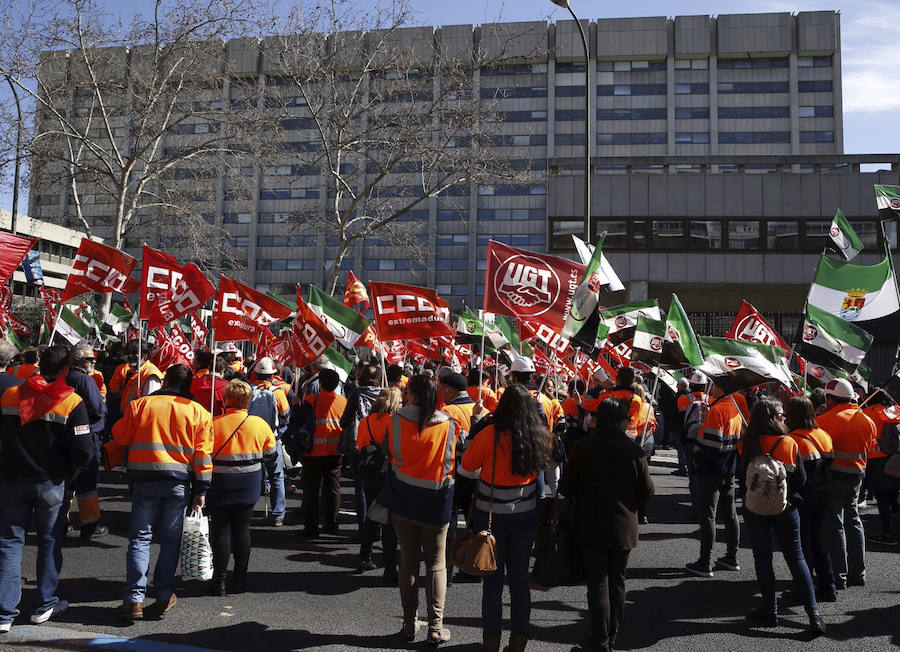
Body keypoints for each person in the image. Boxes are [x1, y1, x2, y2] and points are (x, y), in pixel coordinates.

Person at [108, 364, 213, 621]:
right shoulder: (199, 412)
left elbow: (120, 436)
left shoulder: (140, 405)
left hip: (143, 481)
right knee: (170, 541)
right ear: (189, 385)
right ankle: (164, 595)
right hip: (178, 484)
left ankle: (134, 600)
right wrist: (202, 489)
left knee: (140, 539)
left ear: (165, 380)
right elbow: (202, 456)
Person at [0, 345, 93, 632]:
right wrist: (72, 476)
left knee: (9, 545)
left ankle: (3, 614)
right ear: (66, 370)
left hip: (12, 479)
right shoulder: (72, 401)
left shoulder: (10, 395)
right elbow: (84, 452)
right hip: (51, 482)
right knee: (49, 543)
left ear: (39, 364)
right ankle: (43, 605)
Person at [461, 384, 552, 652]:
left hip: (490, 517)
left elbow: (466, 468)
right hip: (525, 517)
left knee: (491, 582)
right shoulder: (540, 435)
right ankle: (518, 643)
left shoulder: (490, 434)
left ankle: (490, 643)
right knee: (520, 581)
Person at [559, 398, 654, 652]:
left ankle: (599, 638)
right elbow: (647, 491)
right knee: (618, 581)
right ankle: (612, 634)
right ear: (622, 422)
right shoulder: (634, 451)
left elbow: (565, 487)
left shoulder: (582, 447)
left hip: (589, 524)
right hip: (623, 527)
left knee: (597, 583)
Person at [378, 375, 461, 646]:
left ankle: (409, 624)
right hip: (437, 501)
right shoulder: (450, 425)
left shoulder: (396, 421)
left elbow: (386, 450)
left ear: (411, 394)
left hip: (403, 497)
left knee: (408, 562)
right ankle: (435, 627)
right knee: (437, 563)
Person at [738, 397, 825, 635]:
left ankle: (770, 609)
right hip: (786, 508)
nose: (784, 417)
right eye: (780, 414)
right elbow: (801, 480)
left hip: (755, 508)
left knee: (763, 558)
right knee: (796, 558)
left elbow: (741, 474)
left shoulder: (747, 442)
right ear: (775, 418)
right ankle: (813, 614)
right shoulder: (789, 442)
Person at [207, 380, 278, 596]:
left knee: (220, 530)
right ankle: (240, 580)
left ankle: (219, 580)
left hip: (219, 482)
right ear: (248, 400)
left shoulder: (213, 423)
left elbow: (202, 453)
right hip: (248, 483)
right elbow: (271, 456)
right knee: (242, 530)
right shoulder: (259, 424)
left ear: (227, 399)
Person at [815, 378, 876, 588]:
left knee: (835, 525)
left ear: (830, 399)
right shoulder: (866, 419)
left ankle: (838, 576)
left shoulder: (825, 420)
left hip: (833, 477)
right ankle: (858, 574)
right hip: (856, 477)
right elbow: (870, 445)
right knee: (854, 522)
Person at [685, 380, 744, 577]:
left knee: (708, 515)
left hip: (711, 471)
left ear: (720, 388)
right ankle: (732, 557)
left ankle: (705, 562)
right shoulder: (732, 408)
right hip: (728, 469)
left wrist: (695, 461)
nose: (711, 387)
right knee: (730, 514)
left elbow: (710, 446)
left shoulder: (718, 411)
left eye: (714, 385)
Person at [785, 396, 836, 601]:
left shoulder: (794, 439)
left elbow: (792, 473)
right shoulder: (823, 434)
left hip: (805, 497)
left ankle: (804, 590)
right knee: (820, 542)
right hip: (825, 493)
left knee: (804, 545)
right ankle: (828, 586)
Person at [293, 368, 346, 537]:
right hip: (335, 451)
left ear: (320, 383)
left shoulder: (311, 399)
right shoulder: (343, 401)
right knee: (333, 489)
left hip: (312, 451)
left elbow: (298, 420)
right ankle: (331, 523)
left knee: (312, 491)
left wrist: (296, 405)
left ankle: (311, 527)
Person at [356, 387, 402, 580]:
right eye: (399, 401)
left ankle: (365, 556)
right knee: (389, 522)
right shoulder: (395, 422)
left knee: (372, 516)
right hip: (389, 471)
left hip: (370, 471)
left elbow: (360, 445)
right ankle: (390, 567)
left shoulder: (365, 421)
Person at [65, 345, 108, 540]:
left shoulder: (65, 377)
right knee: (87, 481)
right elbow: (97, 407)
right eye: (89, 359)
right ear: (76, 361)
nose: (93, 362)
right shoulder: (83, 379)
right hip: (86, 435)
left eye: (94, 358)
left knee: (67, 481)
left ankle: (62, 522)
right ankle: (89, 524)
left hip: (65, 435)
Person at [340, 361, 384, 541]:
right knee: (381, 487)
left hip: (360, 441)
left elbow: (344, 420)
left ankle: (365, 528)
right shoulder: (386, 394)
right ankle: (380, 527)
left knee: (361, 487)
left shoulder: (357, 393)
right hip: (383, 442)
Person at [248, 357, 290, 527]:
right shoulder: (277, 392)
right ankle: (278, 514)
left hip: (252, 439)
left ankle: (247, 510)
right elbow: (286, 416)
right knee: (277, 477)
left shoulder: (248, 391)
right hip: (272, 439)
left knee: (252, 474)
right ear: (272, 375)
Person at [861, 395, 900, 546]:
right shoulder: (896, 410)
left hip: (876, 459)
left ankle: (888, 534)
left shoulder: (868, 412)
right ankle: (896, 530)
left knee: (883, 500)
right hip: (896, 457)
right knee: (895, 497)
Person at [108, 339, 163, 413]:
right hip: (127, 417)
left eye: (134, 352)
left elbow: (149, 406)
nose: (130, 355)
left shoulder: (150, 375)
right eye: (128, 352)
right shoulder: (134, 371)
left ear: (145, 354)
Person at [190, 351, 228, 417]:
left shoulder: (192, 382)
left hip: (195, 421)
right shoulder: (227, 387)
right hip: (217, 422)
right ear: (223, 371)